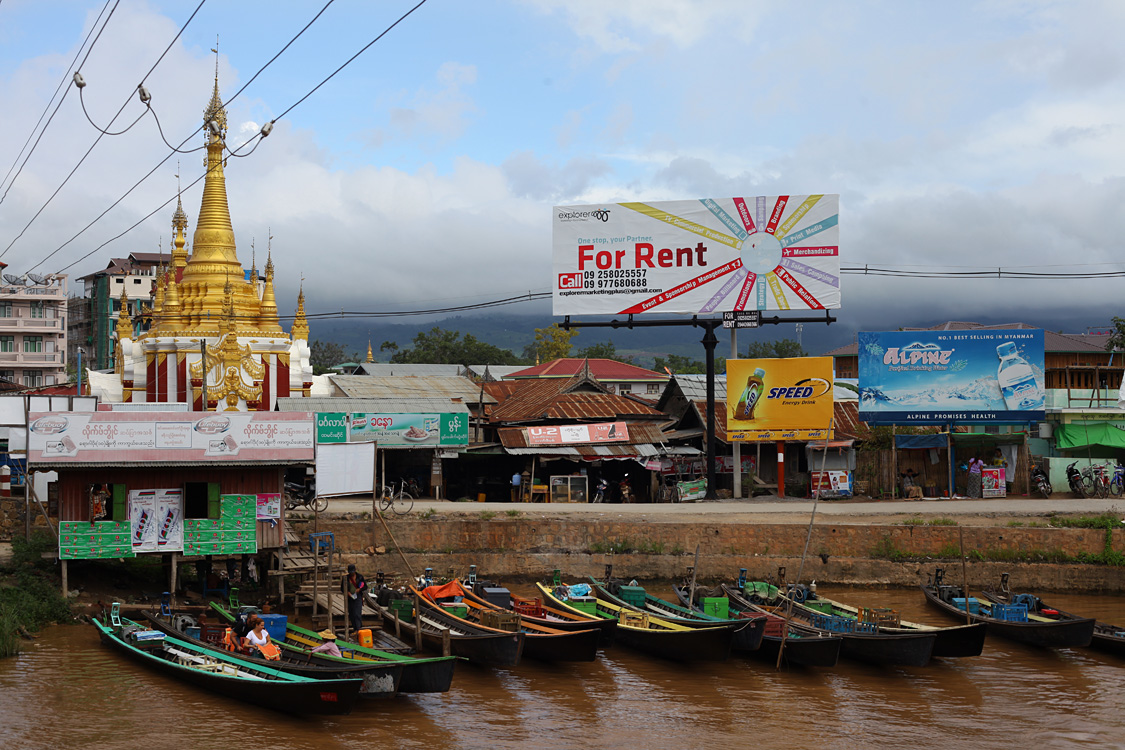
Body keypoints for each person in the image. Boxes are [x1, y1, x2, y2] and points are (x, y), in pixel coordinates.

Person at [342, 564, 366, 630]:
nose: (351, 574)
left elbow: (365, 586)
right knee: (352, 613)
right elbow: (342, 588)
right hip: (350, 597)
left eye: (352, 572)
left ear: (355, 570)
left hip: (358, 596)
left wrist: (359, 589)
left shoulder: (360, 577)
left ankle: (359, 629)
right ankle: (355, 628)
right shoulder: (346, 578)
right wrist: (347, 592)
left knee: (357, 613)